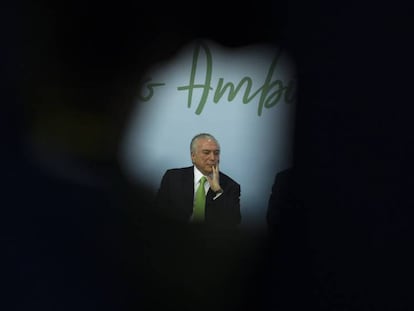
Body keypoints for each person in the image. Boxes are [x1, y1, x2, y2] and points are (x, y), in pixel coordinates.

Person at [155, 133, 241, 227]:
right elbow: (158, 214)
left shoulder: (231, 186)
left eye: (216, 153)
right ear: (193, 156)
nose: (212, 158)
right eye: (206, 152)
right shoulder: (172, 178)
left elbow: (233, 222)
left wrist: (218, 191)